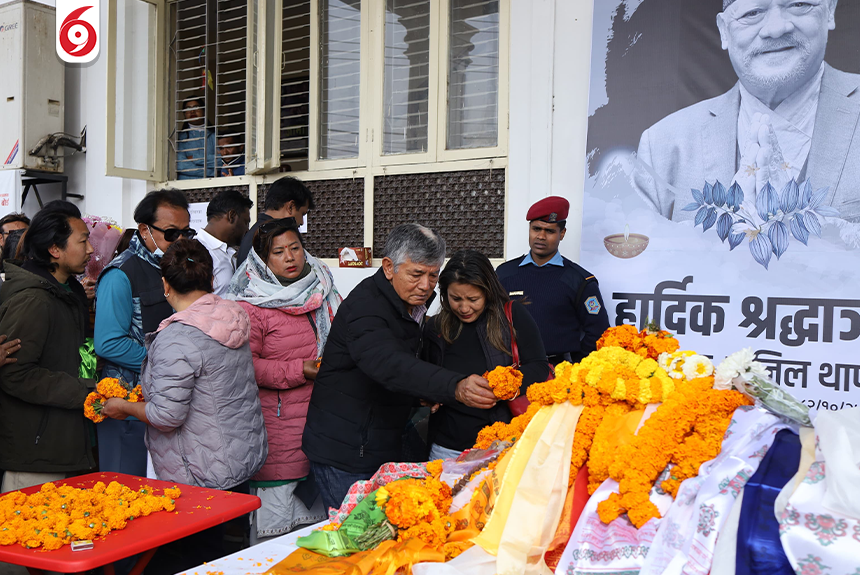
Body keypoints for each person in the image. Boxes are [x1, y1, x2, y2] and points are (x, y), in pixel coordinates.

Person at [302, 223, 498, 512]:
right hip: (346, 451)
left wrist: (417, 395)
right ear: (389, 267)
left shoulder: (410, 302)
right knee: (357, 537)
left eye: (433, 275)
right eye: (416, 274)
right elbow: (388, 363)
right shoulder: (366, 308)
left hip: (381, 440)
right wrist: (454, 387)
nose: (426, 285)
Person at [102, 239, 266, 569]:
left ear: (165, 285)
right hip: (236, 457)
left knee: (194, 558)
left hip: (200, 469)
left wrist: (124, 407)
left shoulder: (177, 337)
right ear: (211, 280)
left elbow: (166, 415)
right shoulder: (233, 316)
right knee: (221, 554)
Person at [632, 0, 860, 222]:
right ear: (724, 30)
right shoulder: (664, 146)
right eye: (752, 13)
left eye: (798, 5)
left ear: (829, 10)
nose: (776, 28)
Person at [227, 218, 340, 539]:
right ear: (263, 260)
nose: (290, 257)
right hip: (277, 431)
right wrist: (299, 369)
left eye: (295, 248)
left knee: (315, 535)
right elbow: (245, 367)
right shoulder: (251, 306)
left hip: (320, 426)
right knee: (275, 535)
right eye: (279, 252)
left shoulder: (320, 291)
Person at [94, 189, 195, 477]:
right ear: (145, 231)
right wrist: (164, 360)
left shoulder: (177, 269)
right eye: (172, 234)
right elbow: (109, 343)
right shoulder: (120, 274)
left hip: (166, 401)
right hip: (128, 403)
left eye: (187, 232)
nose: (181, 241)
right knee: (127, 488)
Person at [0, 203, 94, 492]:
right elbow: (16, 373)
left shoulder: (69, 291)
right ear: (55, 250)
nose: (91, 249)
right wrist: (85, 390)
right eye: (83, 241)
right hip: (37, 451)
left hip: (65, 440)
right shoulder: (34, 300)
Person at [423, 250, 550, 460]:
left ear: (488, 292)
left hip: (503, 444)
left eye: (473, 299)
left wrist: (503, 385)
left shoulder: (513, 316)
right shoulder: (436, 328)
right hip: (448, 446)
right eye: (455, 298)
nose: (464, 307)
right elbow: (427, 377)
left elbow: (539, 366)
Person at [497, 197, 610, 366]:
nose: (541, 236)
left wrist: (577, 367)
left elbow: (598, 331)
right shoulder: (504, 273)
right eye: (536, 229)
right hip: (510, 370)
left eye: (549, 231)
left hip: (558, 373)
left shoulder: (579, 280)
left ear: (562, 234)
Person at [237, 176, 315, 265]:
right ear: (290, 207)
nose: (302, 222)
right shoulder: (267, 237)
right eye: (302, 214)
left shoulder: (258, 232)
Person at [195, 189, 252, 296]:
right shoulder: (195, 252)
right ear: (232, 216)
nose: (247, 230)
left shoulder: (228, 251)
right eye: (245, 222)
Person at [177, 97, 217, 179]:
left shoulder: (215, 136)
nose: (192, 111)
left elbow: (222, 161)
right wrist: (211, 172)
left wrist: (194, 158)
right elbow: (181, 165)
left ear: (204, 111)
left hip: (212, 183)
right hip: (186, 184)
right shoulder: (179, 138)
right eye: (188, 108)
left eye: (196, 107)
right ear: (184, 114)